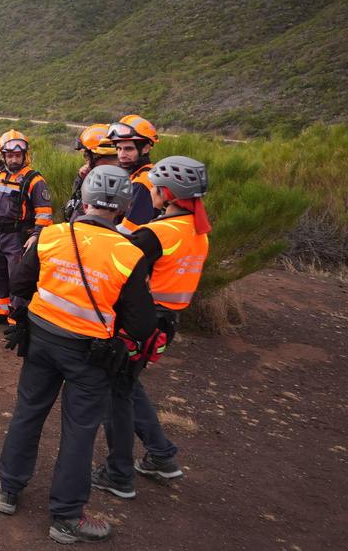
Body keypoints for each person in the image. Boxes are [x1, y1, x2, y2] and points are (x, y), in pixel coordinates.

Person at [0, 165, 157, 544]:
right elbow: (142, 319)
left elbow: (20, 282)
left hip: (41, 340)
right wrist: (122, 340)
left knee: (28, 412)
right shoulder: (128, 253)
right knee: (79, 430)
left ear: (83, 200)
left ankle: (8, 489)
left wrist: (23, 318)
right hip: (90, 354)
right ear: (123, 207)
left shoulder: (51, 236)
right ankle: (66, 516)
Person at [92, 156, 211, 499]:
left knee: (116, 397)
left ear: (166, 193)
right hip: (165, 323)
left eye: (154, 188)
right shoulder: (197, 229)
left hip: (137, 323)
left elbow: (116, 264)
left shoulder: (156, 234)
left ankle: (119, 474)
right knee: (128, 387)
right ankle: (160, 455)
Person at [0, 131, 53, 325]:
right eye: (10, 155)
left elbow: (44, 213)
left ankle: (16, 316)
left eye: (18, 155)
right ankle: (1, 311)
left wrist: (36, 235)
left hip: (18, 236)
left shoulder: (34, 180)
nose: (14, 159)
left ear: (25, 155)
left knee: (17, 276)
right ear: (3, 156)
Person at [107, 115, 160, 234]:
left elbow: (128, 230)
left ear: (145, 149)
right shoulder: (143, 173)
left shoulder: (143, 182)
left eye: (128, 149)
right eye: (119, 149)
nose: (122, 154)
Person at [63, 124, 121, 221]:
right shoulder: (88, 176)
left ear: (97, 156)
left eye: (86, 156)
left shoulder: (122, 185)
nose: (86, 161)